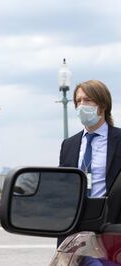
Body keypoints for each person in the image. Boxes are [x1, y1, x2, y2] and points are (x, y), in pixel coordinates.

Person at [58, 80, 121, 246]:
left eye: (87, 100)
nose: (81, 105)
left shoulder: (119, 140)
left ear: (103, 104)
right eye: (78, 101)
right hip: (75, 227)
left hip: (111, 228)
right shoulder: (68, 145)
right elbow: (64, 188)